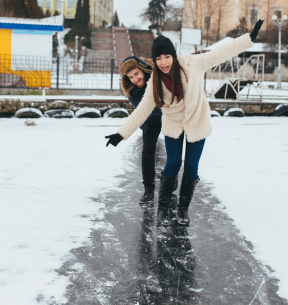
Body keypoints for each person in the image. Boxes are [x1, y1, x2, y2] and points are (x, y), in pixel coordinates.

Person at [106, 20, 263, 226]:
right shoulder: (155, 81)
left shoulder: (193, 64)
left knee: (191, 167)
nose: (163, 62)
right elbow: (142, 110)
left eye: (167, 56)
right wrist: (121, 133)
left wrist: (247, 39)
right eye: (159, 58)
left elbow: (220, 52)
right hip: (173, 124)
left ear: (173, 56)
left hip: (197, 121)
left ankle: (183, 210)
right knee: (172, 163)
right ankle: (162, 209)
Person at [119, 56, 168, 205]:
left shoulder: (158, 77)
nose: (135, 79)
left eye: (136, 74)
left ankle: (170, 186)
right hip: (150, 120)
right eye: (131, 77)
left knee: (174, 151)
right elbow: (147, 110)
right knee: (147, 152)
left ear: (143, 70)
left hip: (170, 117)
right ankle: (148, 189)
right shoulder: (132, 91)